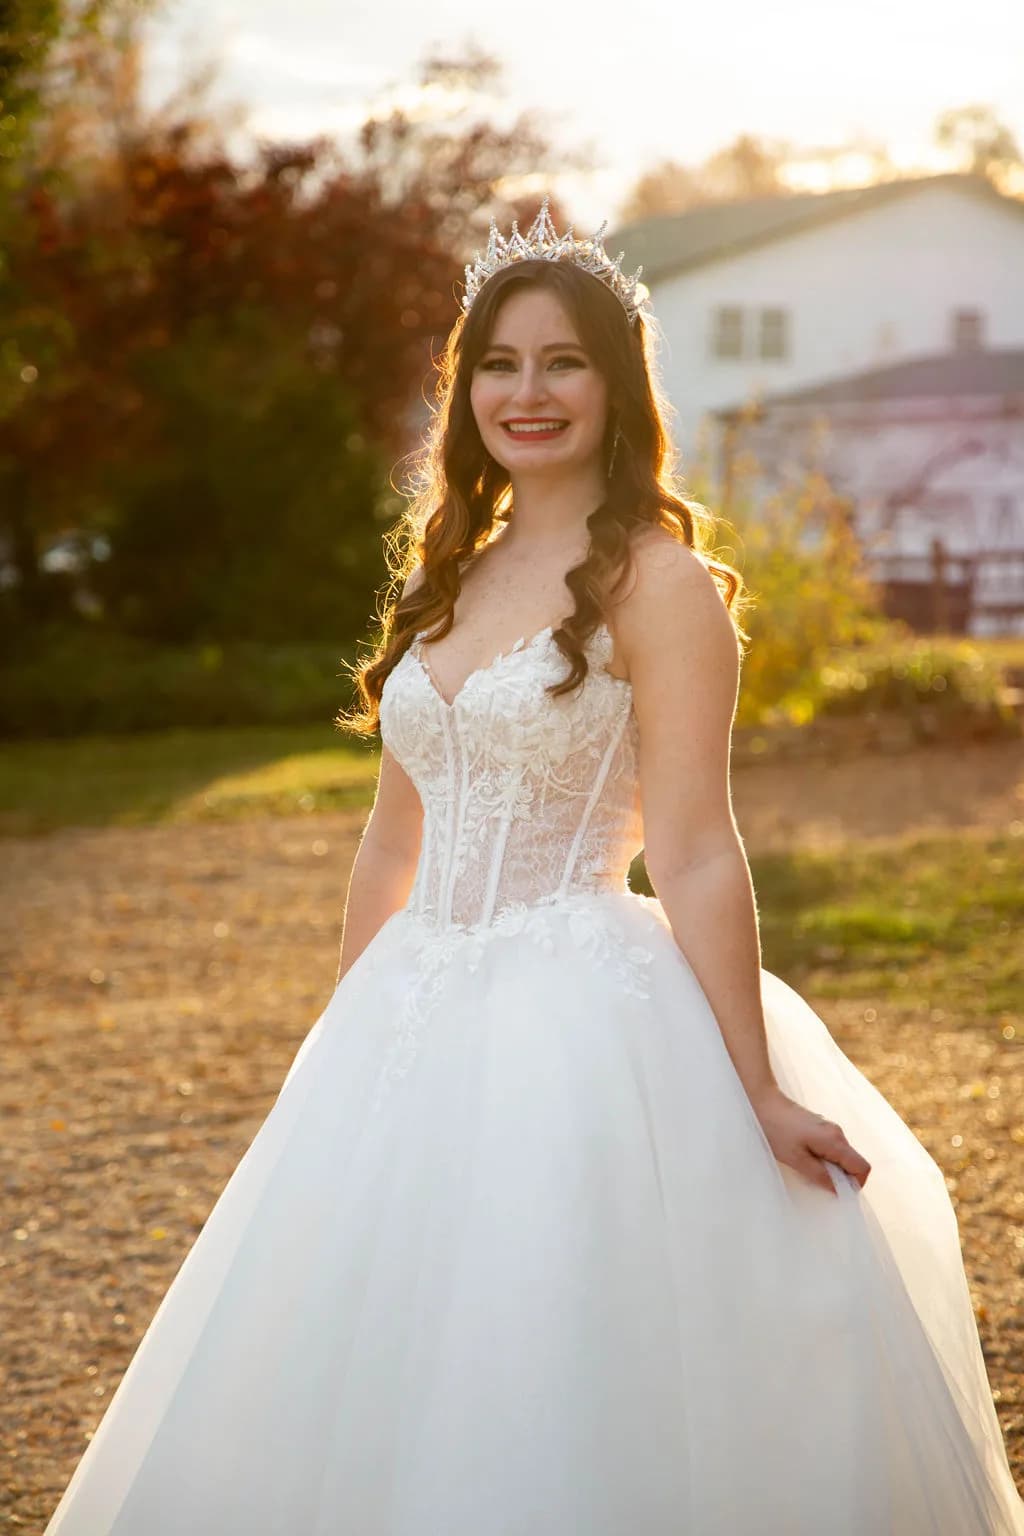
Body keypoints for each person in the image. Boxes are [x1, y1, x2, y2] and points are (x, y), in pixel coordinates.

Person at [45, 201, 1023, 1535]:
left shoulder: (661, 587)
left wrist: (754, 1087)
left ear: (617, 387)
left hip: (582, 1013)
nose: (529, 392)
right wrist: (349, 1033)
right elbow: (393, 836)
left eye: (564, 361)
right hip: (412, 1006)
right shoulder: (448, 576)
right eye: (500, 364)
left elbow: (695, 847)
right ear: (467, 393)